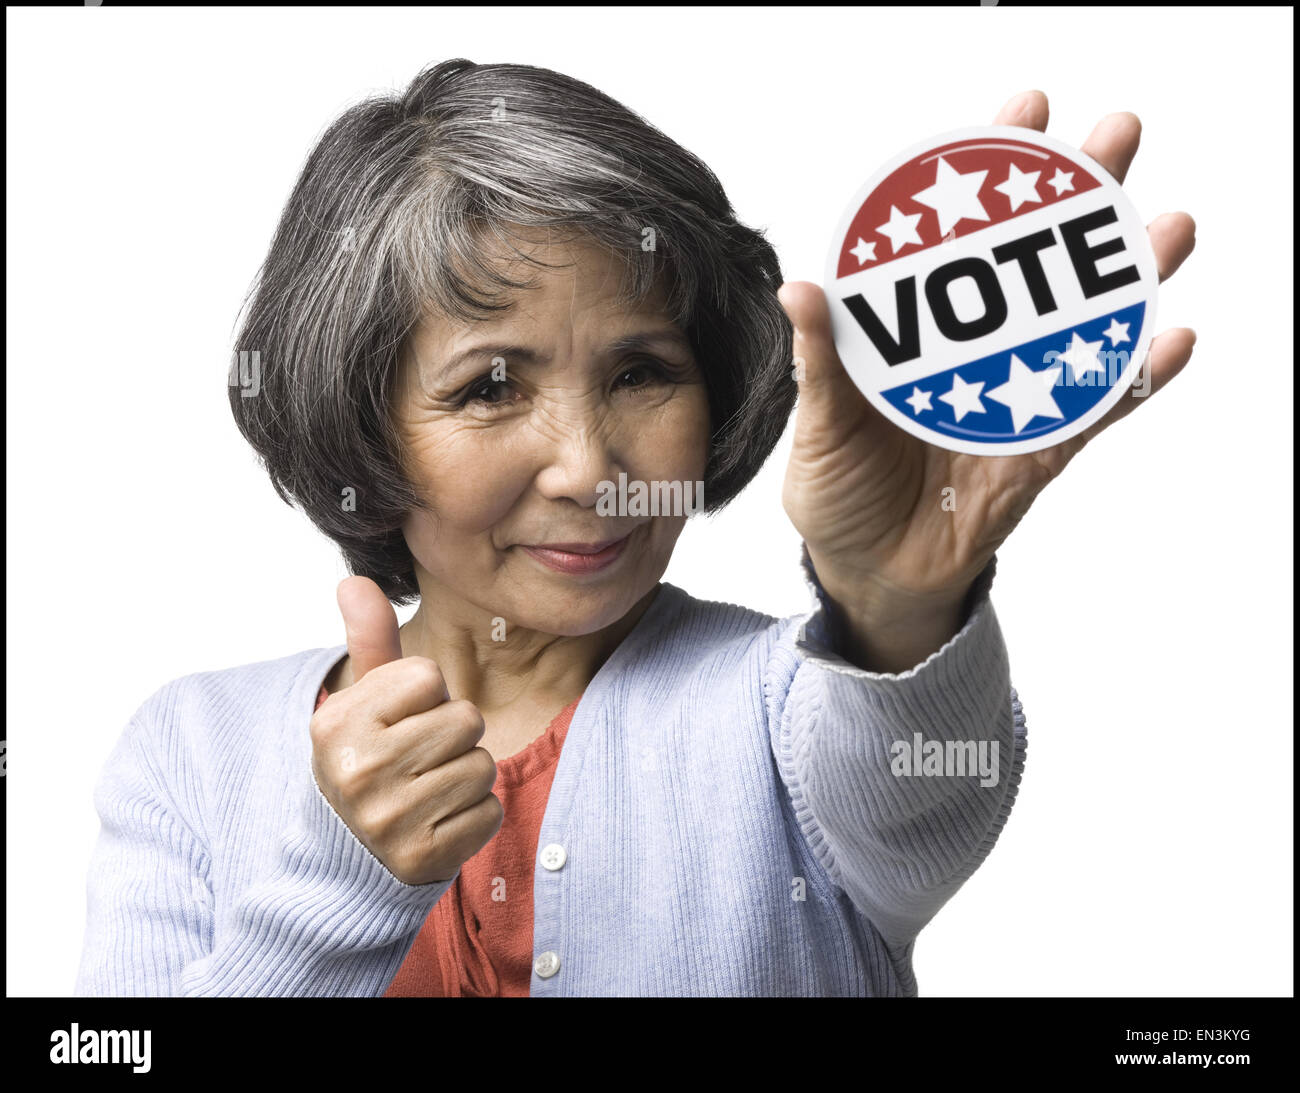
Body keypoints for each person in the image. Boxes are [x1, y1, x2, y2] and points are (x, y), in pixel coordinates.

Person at [74, 60, 1196, 997]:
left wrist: (894, 598)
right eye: (490, 386)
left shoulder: (788, 713)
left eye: (642, 371)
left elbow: (918, 780)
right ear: (361, 421)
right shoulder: (192, 748)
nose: (590, 467)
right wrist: (340, 882)